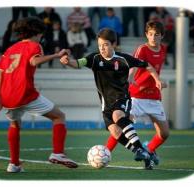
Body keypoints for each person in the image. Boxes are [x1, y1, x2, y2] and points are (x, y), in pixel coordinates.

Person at [60, 28, 163, 168]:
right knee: (115, 132)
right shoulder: (94, 58)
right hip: (105, 104)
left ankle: (139, 148)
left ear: (113, 44)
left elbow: (146, 65)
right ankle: (145, 154)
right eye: (100, 45)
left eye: (106, 44)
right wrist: (68, 62)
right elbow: (78, 63)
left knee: (117, 115)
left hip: (122, 98)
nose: (102, 48)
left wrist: (157, 79)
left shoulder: (124, 59)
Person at [0, 17, 78, 173]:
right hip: (24, 93)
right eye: (41, 34)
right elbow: (34, 61)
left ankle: (14, 164)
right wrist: (57, 55)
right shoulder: (34, 45)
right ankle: (58, 153)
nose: (41, 37)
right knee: (59, 116)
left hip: (7, 96)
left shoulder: (10, 49)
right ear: (36, 33)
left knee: (15, 124)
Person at [105, 21, 170, 170]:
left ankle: (149, 149)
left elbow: (155, 70)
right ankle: (106, 152)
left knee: (165, 133)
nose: (153, 37)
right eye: (151, 34)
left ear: (162, 36)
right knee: (123, 125)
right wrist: (130, 77)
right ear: (146, 34)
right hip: (137, 96)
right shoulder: (142, 49)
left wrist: (159, 82)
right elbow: (134, 64)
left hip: (154, 97)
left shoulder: (163, 50)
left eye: (157, 35)